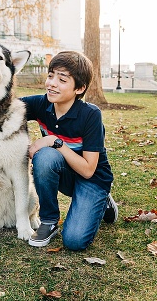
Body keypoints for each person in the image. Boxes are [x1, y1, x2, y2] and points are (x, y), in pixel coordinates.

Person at [22, 51, 117, 250]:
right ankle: (48, 221)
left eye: (62, 79)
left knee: (74, 241)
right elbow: (5, 107)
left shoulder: (90, 115)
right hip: (65, 174)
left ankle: (103, 200)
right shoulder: (41, 104)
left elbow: (88, 170)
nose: (52, 83)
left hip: (92, 179)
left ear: (79, 88)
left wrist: (54, 140)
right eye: (50, 75)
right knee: (45, 158)